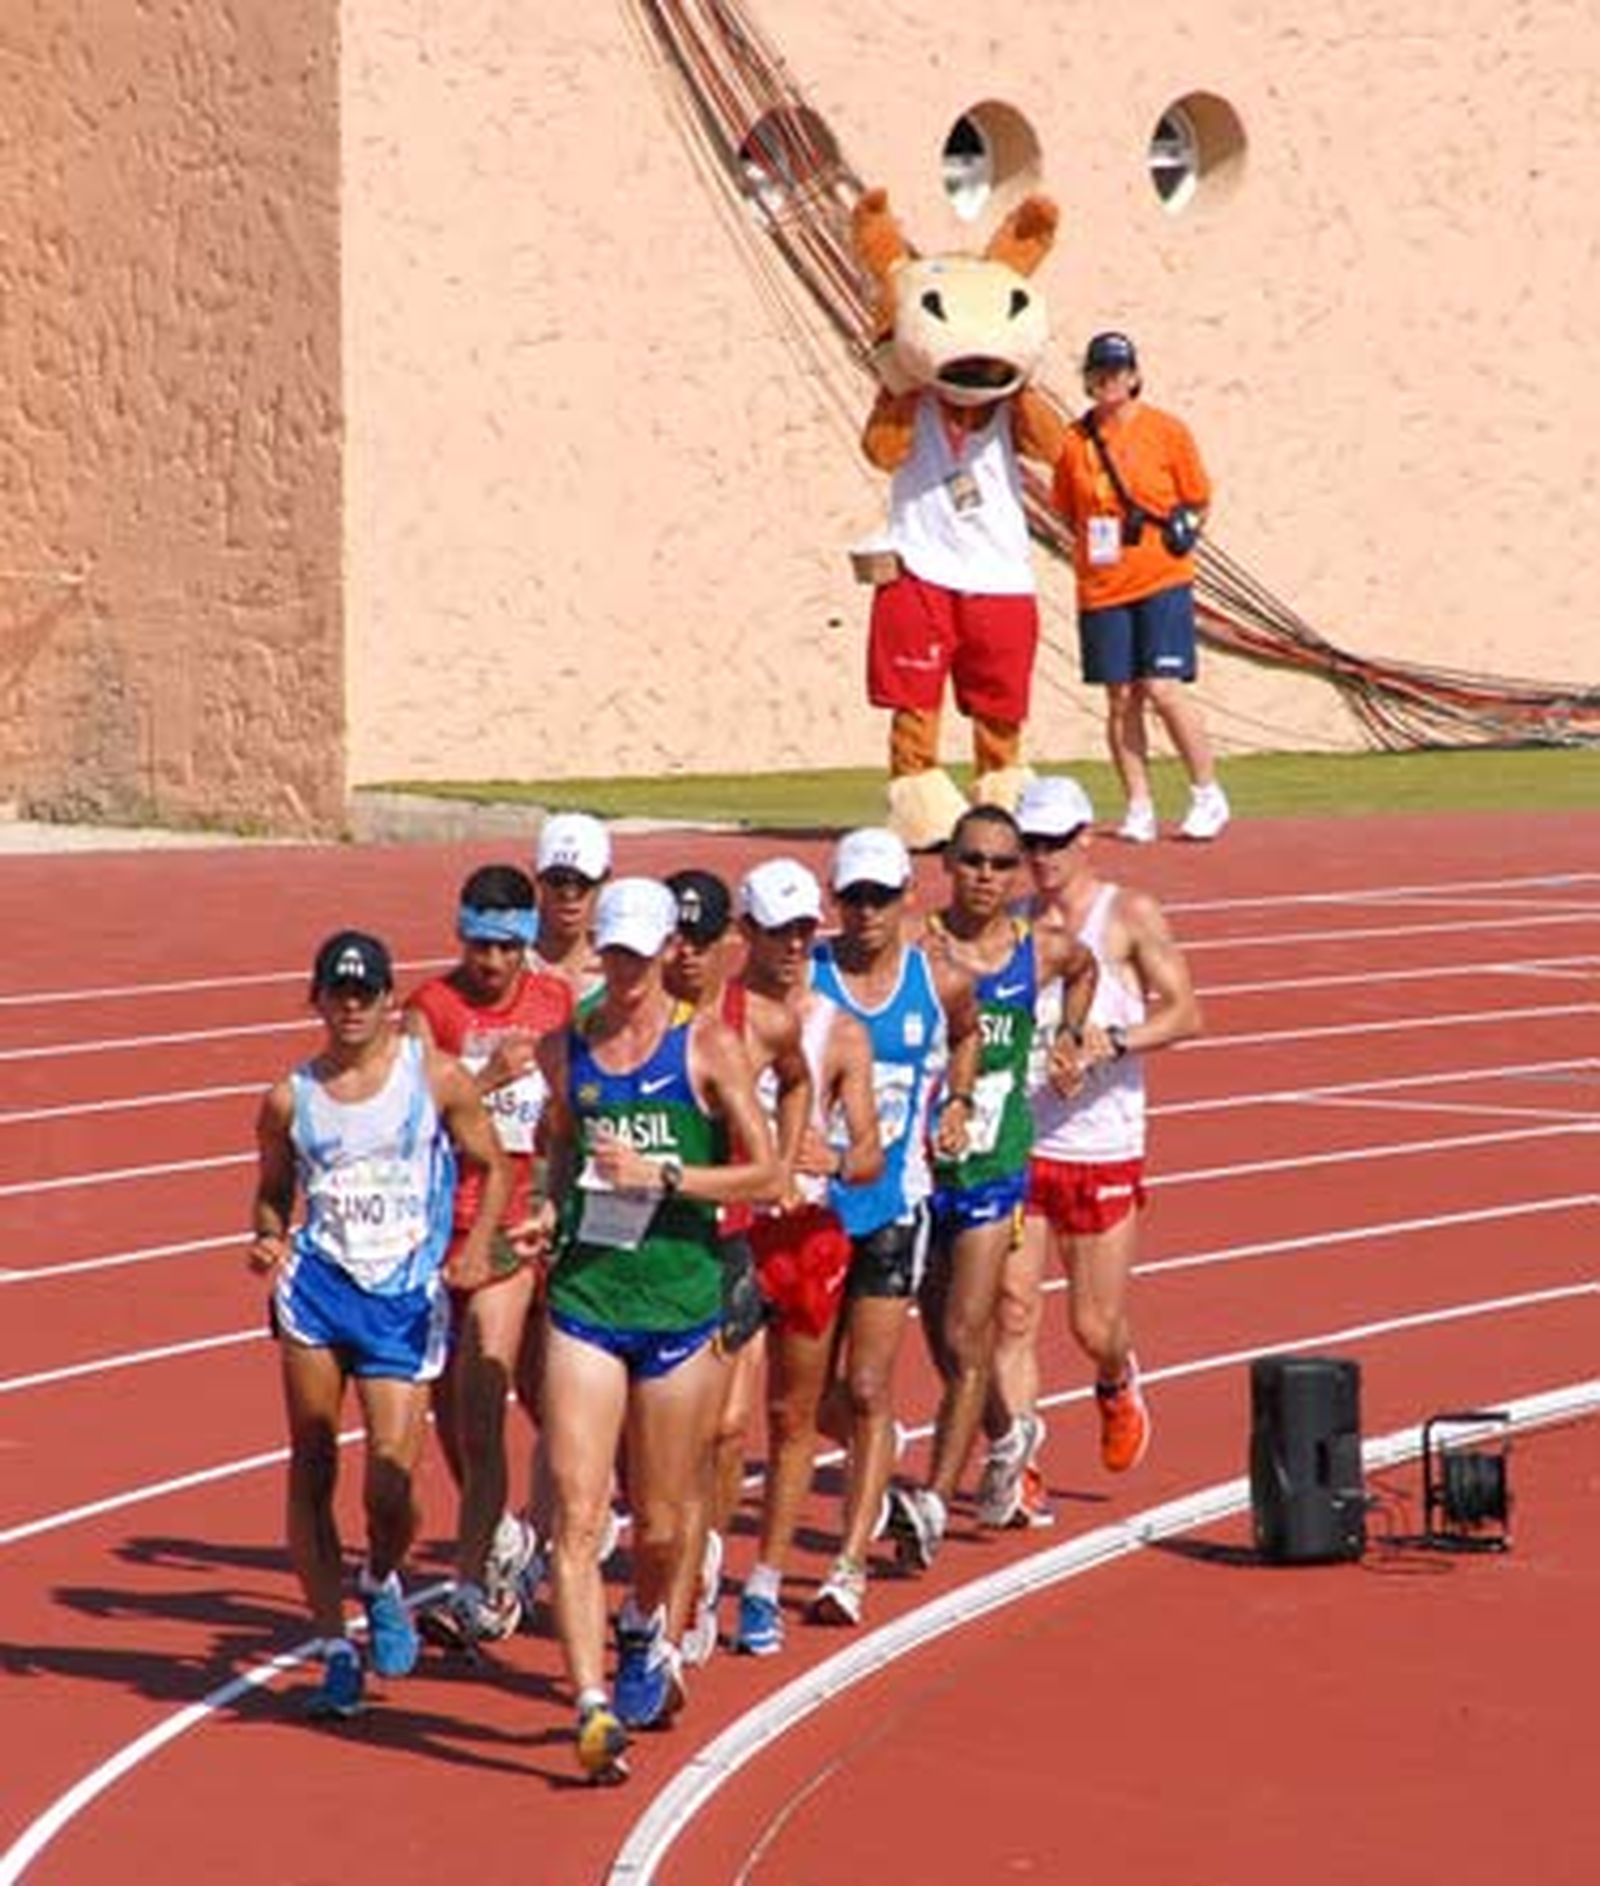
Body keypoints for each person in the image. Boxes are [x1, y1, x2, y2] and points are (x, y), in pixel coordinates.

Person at [533, 877, 781, 1782]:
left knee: (666, 1526)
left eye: (645, 954)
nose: (631, 972)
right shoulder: (567, 1047)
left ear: (668, 951)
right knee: (577, 1508)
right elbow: (559, 1145)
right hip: (589, 1304)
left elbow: (766, 1172)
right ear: (601, 950)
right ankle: (592, 1707)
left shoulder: (705, 1046)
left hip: (678, 1306)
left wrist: (666, 1175)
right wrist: (545, 1212)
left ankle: (645, 1628)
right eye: (618, 954)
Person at [248, 930, 512, 1719]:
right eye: (338, 992)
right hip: (319, 1295)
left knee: (391, 1487)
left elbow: (490, 1164)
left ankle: (380, 1578)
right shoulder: (289, 1099)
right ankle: (334, 1645)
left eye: (366, 993)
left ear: (390, 999)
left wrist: (480, 1247)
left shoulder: (434, 1080)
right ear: (318, 1000)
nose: (352, 1005)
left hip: (402, 1299)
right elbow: (270, 1191)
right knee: (314, 1459)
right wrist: (266, 1236)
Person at [886, 805, 1097, 1564]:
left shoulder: (1039, 948)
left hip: (994, 1163)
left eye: (1003, 864)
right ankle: (1010, 1432)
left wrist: (1069, 1035)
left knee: (964, 1332)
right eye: (972, 860)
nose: (986, 876)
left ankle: (936, 1499)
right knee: (943, 1335)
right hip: (915, 1168)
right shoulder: (915, 948)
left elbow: (1086, 969)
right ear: (948, 864)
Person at [806, 828, 979, 1627]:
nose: (867, 911)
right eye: (854, 897)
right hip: (806, 1209)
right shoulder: (805, 978)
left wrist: (957, 1101)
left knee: (867, 1384)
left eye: (881, 895)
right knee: (804, 1398)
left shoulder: (935, 980)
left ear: (909, 896)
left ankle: (846, 1569)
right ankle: (885, 1466)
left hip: (889, 1206)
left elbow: (970, 1034)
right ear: (834, 901)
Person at [1012, 774, 1203, 1477]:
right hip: (1024, 1144)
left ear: (1085, 838)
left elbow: (1187, 1013)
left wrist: (1110, 1044)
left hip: (1102, 1146)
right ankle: (1019, 1464)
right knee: (1010, 1316)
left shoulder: (1128, 914)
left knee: (1092, 1326)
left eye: (1055, 842)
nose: (1043, 857)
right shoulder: (1015, 925)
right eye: (1030, 844)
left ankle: (1117, 1379)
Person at [403, 865, 571, 1645]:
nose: (493, 962)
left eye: (507, 947)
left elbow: (578, 1104)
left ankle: (478, 1591)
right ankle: (512, 1537)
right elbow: (400, 1117)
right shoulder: (430, 1009)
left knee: (484, 1406)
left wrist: (559, 1202)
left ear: (527, 945)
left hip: (515, 1226)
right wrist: (480, 1076)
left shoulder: (557, 1004)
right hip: (443, 1224)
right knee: (459, 1419)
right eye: (479, 944)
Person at [725, 858, 883, 1657]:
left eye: (802, 932)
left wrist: (833, 1157)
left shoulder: (838, 1030)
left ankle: (763, 1583)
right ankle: (698, 1570)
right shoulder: (711, 1019)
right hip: (725, 1237)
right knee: (720, 1425)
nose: (793, 946)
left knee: (791, 1417)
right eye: (777, 931)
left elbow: (871, 1155)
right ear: (743, 932)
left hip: (804, 1238)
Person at [659, 867, 811, 1669]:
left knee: (721, 1433)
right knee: (659, 1445)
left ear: (727, 942)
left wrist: (780, 1164)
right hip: (642, 1249)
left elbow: (797, 1080)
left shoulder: (758, 1024)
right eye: (670, 936)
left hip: (723, 1244)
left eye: (697, 937)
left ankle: (702, 1561)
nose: (681, 953)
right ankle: (673, 1565)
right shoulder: (627, 1021)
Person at [1051, 330, 1228, 843]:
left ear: (1133, 377)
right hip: (1103, 583)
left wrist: (1185, 530)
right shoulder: (1074, 441)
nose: (1109, 380)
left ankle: (1206, 792)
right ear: (1087, 379)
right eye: (1099, 372)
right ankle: (1139, 805)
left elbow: (1197, 498)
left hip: (1160, 577)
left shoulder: (1166, 430)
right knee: (1120, 697)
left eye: (1118, 371)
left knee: (1163, 688)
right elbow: (1066, 508)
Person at [532, 811, 610, 999]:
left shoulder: (625, 971)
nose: (569, 894)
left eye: (583, 880)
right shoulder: (508, 967)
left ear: (604, 878)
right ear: (537, 876)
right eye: (557, 879)